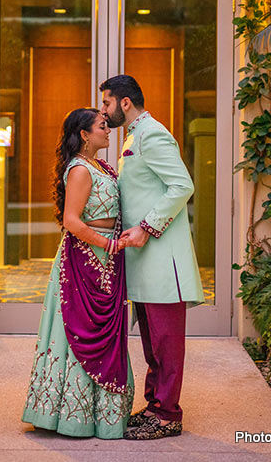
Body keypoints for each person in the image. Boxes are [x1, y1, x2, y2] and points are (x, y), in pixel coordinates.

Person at [99, 75, 204, 440]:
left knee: (166, 341)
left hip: (163, 259)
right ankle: (155, 405)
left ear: (125, 102)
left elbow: (182, 185)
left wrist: (146, 227)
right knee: (151, 341)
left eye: (107, 103)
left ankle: (168, 415)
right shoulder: (133, 136)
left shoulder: (153, 133)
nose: (104, 111)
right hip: (144, 259)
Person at [22, 107, 134, 439]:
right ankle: (72, 415)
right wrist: (106, 243)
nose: (108, 130)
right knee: (78, 329)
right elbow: (71, 220)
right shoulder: (81, 171)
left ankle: (103, 416)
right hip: (84, 258)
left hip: (108, 257)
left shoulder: (104, 167)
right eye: (102, 127)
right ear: (85, 135)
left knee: (107, 332)